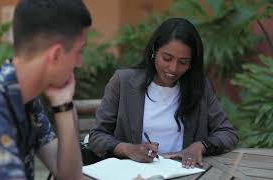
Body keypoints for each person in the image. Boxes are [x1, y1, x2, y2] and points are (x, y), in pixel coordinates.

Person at [0, 0, 91, 179]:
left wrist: (63, 105)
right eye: (79, 52)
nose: (79, 63)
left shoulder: (27, 98)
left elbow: (70, 177)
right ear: (55, 55)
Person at [89, 18, 238, 168]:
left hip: (184, 173)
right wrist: (129, 149)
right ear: (154, 51)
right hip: (135, 174)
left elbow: (227, 133)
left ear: (191, 63)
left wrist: (199, 146)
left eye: (183, 62)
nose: (173, 68)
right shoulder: (123, 82)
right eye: (167, 58)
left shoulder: (199, 87)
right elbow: (97, 136)